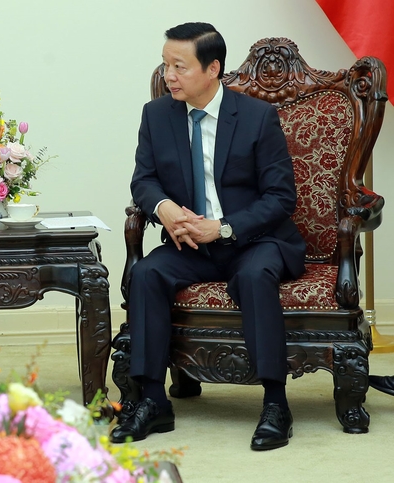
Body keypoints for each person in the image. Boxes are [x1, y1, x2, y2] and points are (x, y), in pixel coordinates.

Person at [110, 22, 305, 451]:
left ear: (212, 68)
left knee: (254, 278)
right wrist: (165, 210)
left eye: (179, 66)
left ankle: (275, 402)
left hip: (255, 241)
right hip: (192, 245)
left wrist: (224, 227)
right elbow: (144, 181)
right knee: (146, 274)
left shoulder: (256, 117)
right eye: (165, 65)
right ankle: (153, 400)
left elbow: (280, 198)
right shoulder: (157, 114)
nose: (169, 76)